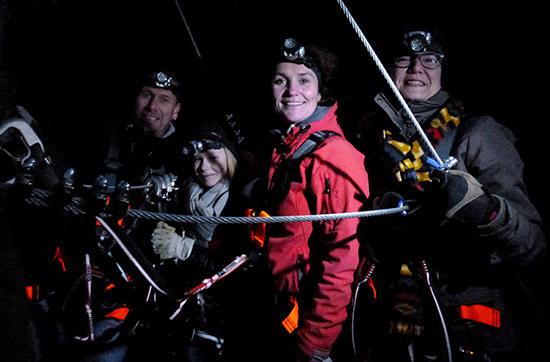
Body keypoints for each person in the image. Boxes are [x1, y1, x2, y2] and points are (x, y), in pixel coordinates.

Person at [353, 29, 547, 362]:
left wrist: (485, 210)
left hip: (463, 321)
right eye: (405, 59)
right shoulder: (372, 137)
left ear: (445, 69)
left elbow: (533, 245)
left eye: (429, 59)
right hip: (391, 320)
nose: (416, 68)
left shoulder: (478, 133)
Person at [254, 37, 370, 362]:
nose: (292, 91)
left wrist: (316, 342)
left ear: (321, 92)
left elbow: (343, 259)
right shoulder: (280, 146)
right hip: (278, 305)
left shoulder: (335, 157)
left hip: (311, 317)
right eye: (281, 81)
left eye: (304, 80)